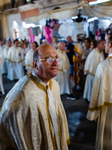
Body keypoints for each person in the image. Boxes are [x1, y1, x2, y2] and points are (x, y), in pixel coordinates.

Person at [0, 44, 70, 150]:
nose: (56, 62)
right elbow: (5, 122)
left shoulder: (54, 85)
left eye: (56, 58)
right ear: (35, 64)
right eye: (49, 59)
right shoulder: (23, 94)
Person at [86, 35, 112, 150]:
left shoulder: (104, 65)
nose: (105, 45)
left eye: (106, 43)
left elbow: (96, 92)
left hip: (107, 109)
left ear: (110, 45)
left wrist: (93, 112)